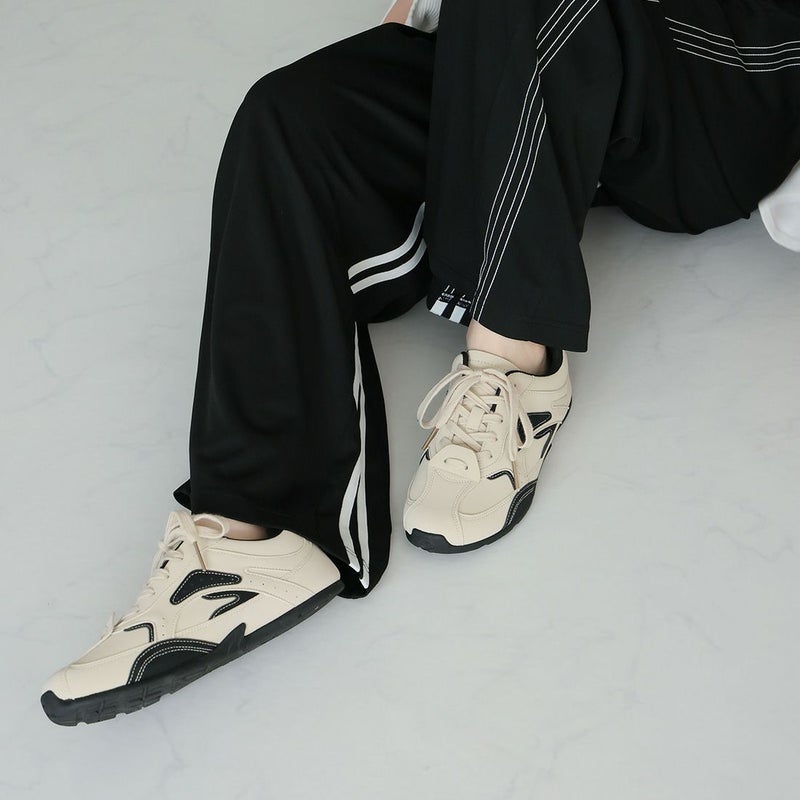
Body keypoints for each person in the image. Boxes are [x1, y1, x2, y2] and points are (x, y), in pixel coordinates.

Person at [41, 0, 800, 725]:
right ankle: (251, 532)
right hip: (553, 48)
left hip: (729, 79)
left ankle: (512, 355)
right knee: (295, 115)